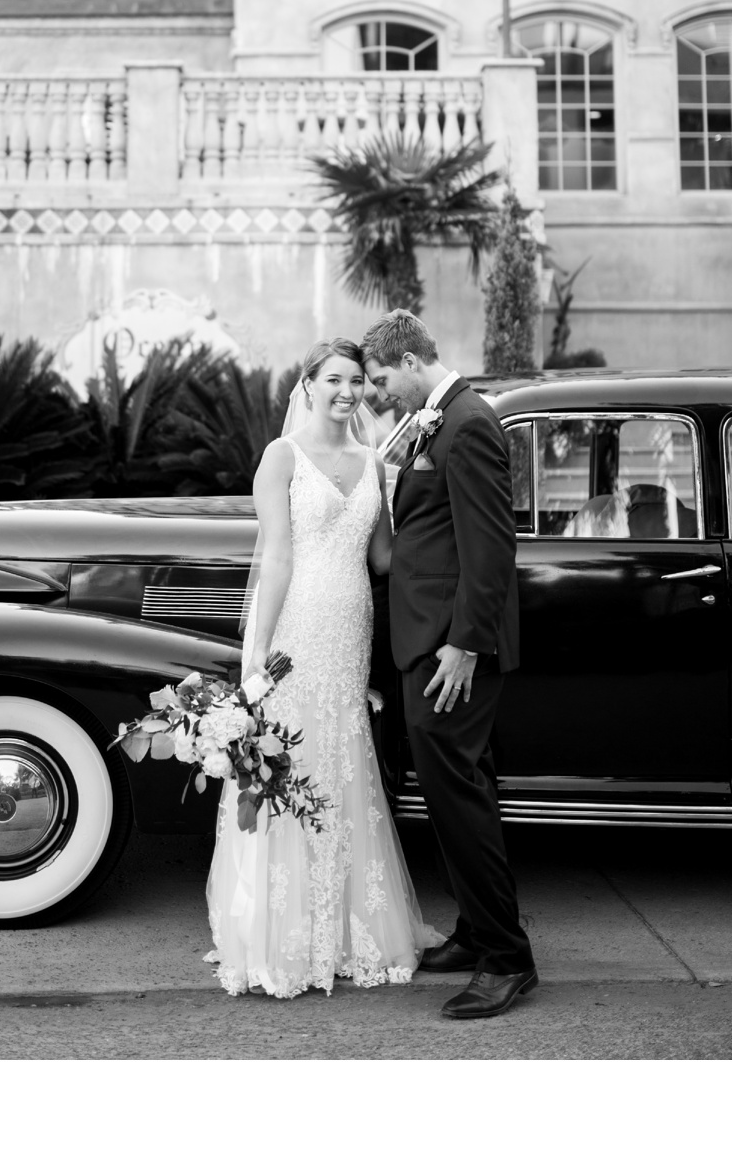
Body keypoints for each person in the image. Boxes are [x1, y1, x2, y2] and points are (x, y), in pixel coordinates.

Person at [207, 338, 438, 998]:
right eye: (334, 378)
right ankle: (283, 934)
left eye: (358, 380)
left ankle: (342, 930)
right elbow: (276, 559)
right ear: (306, 384)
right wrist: (256, 661)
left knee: (340, 761)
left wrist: (438, 508)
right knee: (290, 760)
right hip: (295, 630)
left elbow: (386, 557)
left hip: (350, 627)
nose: (348, 390)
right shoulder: (280, 458)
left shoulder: (375, 463)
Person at [362, 310, 537, 1020]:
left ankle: (507, 961)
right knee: (462, 796)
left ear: (408, 360)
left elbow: (492, 549)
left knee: (458, 798)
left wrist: (464, 644)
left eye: (381, 380)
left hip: (450, 653)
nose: (380, 394)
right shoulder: (439, 419)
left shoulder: (467, 423)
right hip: (433, 642)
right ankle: (476, 931)